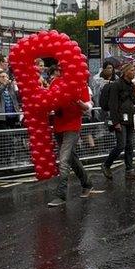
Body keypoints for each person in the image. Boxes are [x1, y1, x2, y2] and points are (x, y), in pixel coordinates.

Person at [47, 71, 99, 207]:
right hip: (58, 125)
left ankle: (61, 195)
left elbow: (88, 106)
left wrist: (78, 102)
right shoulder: (55, 82)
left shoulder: (81, 85)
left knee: (64, 159)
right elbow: (49, 100)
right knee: (70, 157)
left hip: (73, 125)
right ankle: (87, 183)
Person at [101, 63, 135, 180]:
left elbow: (133, 101)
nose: (134, 72)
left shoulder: (131, 85)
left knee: (129, 146)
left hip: (130, 118)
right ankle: (106, 165)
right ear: (125, 72)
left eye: (134, 70)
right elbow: (112, 104)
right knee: (121, 145)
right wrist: (116, 122)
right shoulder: (116, 85)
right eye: (131, 70)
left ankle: (129, 171)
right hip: (120, 120)